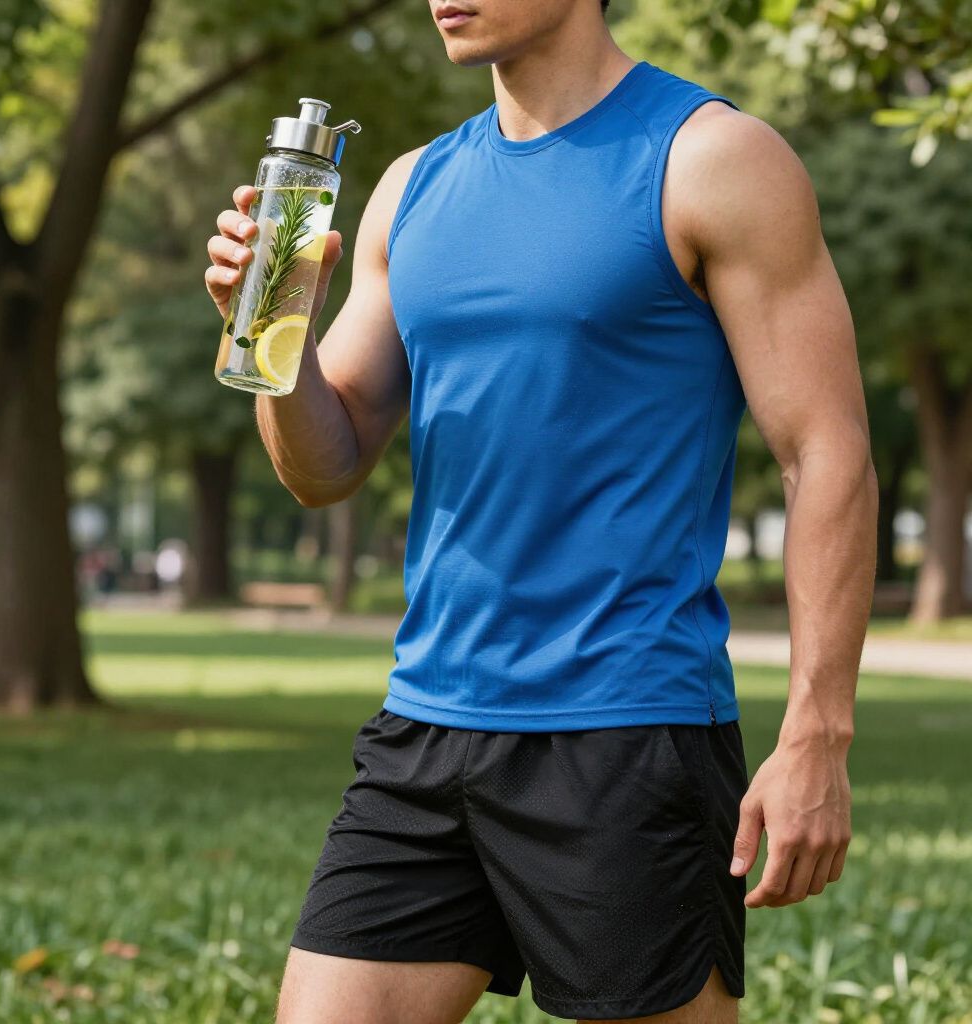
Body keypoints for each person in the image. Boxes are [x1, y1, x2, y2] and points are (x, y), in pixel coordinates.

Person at [205, 1, 878, 1020]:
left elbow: (823, 451)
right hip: (427, 724)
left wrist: (816, 733)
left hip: (625, 729)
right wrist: (270, 333)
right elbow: (324, 464)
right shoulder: (411, 187)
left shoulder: (713, 159)